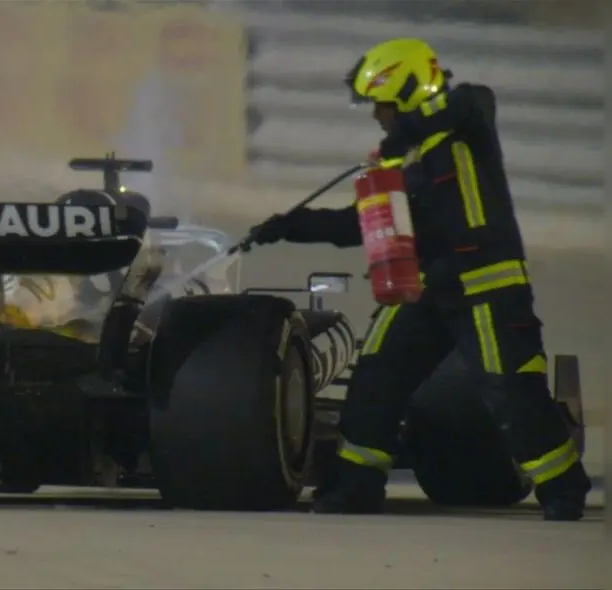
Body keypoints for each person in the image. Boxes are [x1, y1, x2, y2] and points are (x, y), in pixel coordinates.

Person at [249, 38, 592, 521]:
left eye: (381, 104)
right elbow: (364, 226)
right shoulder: (399, 160)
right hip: (425, 287)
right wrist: (292, 225)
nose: (376, 116)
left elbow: (474, 97)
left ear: (408, 91)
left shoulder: (466, 124)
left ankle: (564, 488)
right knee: (376, 379)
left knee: (510, 388)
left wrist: (409, 129)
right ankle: (356, 489)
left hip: (486, 286)